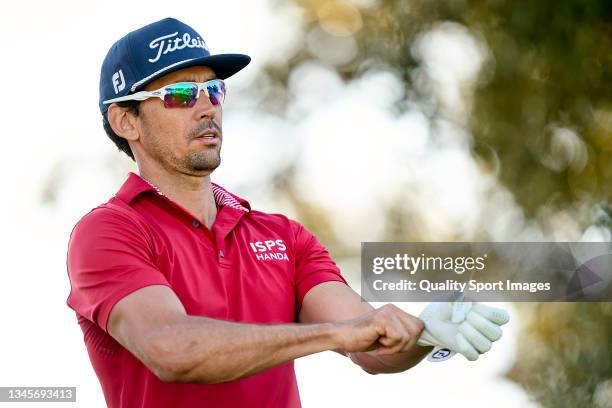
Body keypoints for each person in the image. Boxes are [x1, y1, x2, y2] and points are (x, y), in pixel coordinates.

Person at [66, 17, 509, 408]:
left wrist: (423, 333)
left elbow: (371, 347)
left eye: (214, 90)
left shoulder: (284, 237)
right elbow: (171, 350)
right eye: (180, 94)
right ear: (126, 121)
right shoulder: (107, 231)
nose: (207, 107)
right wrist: (335, 335)